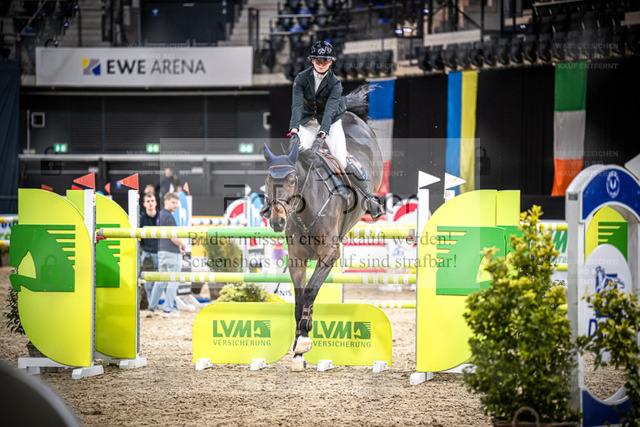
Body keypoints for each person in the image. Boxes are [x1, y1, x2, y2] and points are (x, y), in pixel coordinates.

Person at [288, 40, 383, 220]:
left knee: (341, 161)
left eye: (325, 61)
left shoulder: (335, 83)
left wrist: (321, 137)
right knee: (296, 159)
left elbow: (329, 113)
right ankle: (277, 201)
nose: (321, 64)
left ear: (331, 62)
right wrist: (293, 131)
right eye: (318, 61)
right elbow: (297, 106)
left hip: (330, 123)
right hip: (308, 123)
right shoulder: (301, 79)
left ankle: (369, 198)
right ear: (312, 61)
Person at [148, 192, 186, 317]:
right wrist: (183, 245)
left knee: (161, 281)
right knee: (173, 281)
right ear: (166, 201)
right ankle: (168, 309)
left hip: (162, 251)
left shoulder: (160, 215)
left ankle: (152, 307)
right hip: (171, 252)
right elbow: (173, 238)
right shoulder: (169, 217)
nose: (176, 205)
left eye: (177, 202)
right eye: (173, 202)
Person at [139, 193, 159, 310]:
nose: (150, 203)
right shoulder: (141, 218)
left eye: (152, 201)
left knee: (161, 281)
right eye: (148, 201)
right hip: (147, 253)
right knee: (148, 283)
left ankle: (162, 305)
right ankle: (152, 306)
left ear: (155, 203)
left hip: (160, 253)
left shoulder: (161, 217)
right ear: (144, 204)